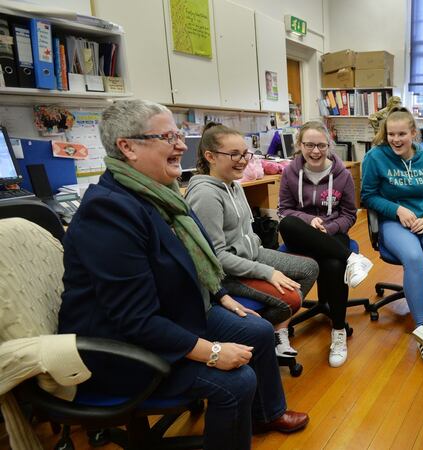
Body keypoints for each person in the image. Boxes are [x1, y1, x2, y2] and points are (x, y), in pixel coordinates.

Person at [57, 99, 309, 450]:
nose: (181, 145)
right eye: (168, 136)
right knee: (236, 382)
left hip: (171, 315)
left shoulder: (161, 195)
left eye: (179, 134)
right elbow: (135, 320)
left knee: (259, 330)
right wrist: (212, 352)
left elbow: (191, 259)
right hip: (122, 349)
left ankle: (266, 413)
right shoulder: (109, 212)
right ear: (127, 147)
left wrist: (221, 296)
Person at [185, 122, 319, 358]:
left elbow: (247, 233)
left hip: (250, 254)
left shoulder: (233, 185)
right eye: (234, 154)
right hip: (227, 273)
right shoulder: (206, 195)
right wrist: (267, 272)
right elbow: (216, 257)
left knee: (309, 268)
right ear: (210, 156)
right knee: (291, 299)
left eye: (245, 153)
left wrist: (266, 263)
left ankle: (277, 331)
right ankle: (256, 337)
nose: (243, 160)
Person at [277, 121, 373, 368]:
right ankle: (352, 259)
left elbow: (350, 214)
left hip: (332, 233)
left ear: (329, 145)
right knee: (287, 224)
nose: (316, 151)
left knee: (333, 264)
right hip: (300, 232)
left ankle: (338, 332)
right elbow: (284, 210)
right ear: (300, 146)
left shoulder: (342, 175)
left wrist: (327, 228)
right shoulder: (289, 172)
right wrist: (310, 221)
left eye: (321, 145)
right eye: (309, 145)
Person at [360, 106, 423, 365]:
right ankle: (422, 327)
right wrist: (398, 209)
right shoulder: (375, 158)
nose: (396, 140)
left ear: (413, 133)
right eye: (391, 134)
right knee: (413, 257)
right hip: (393, 220)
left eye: (402, 134)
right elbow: (367, 196)